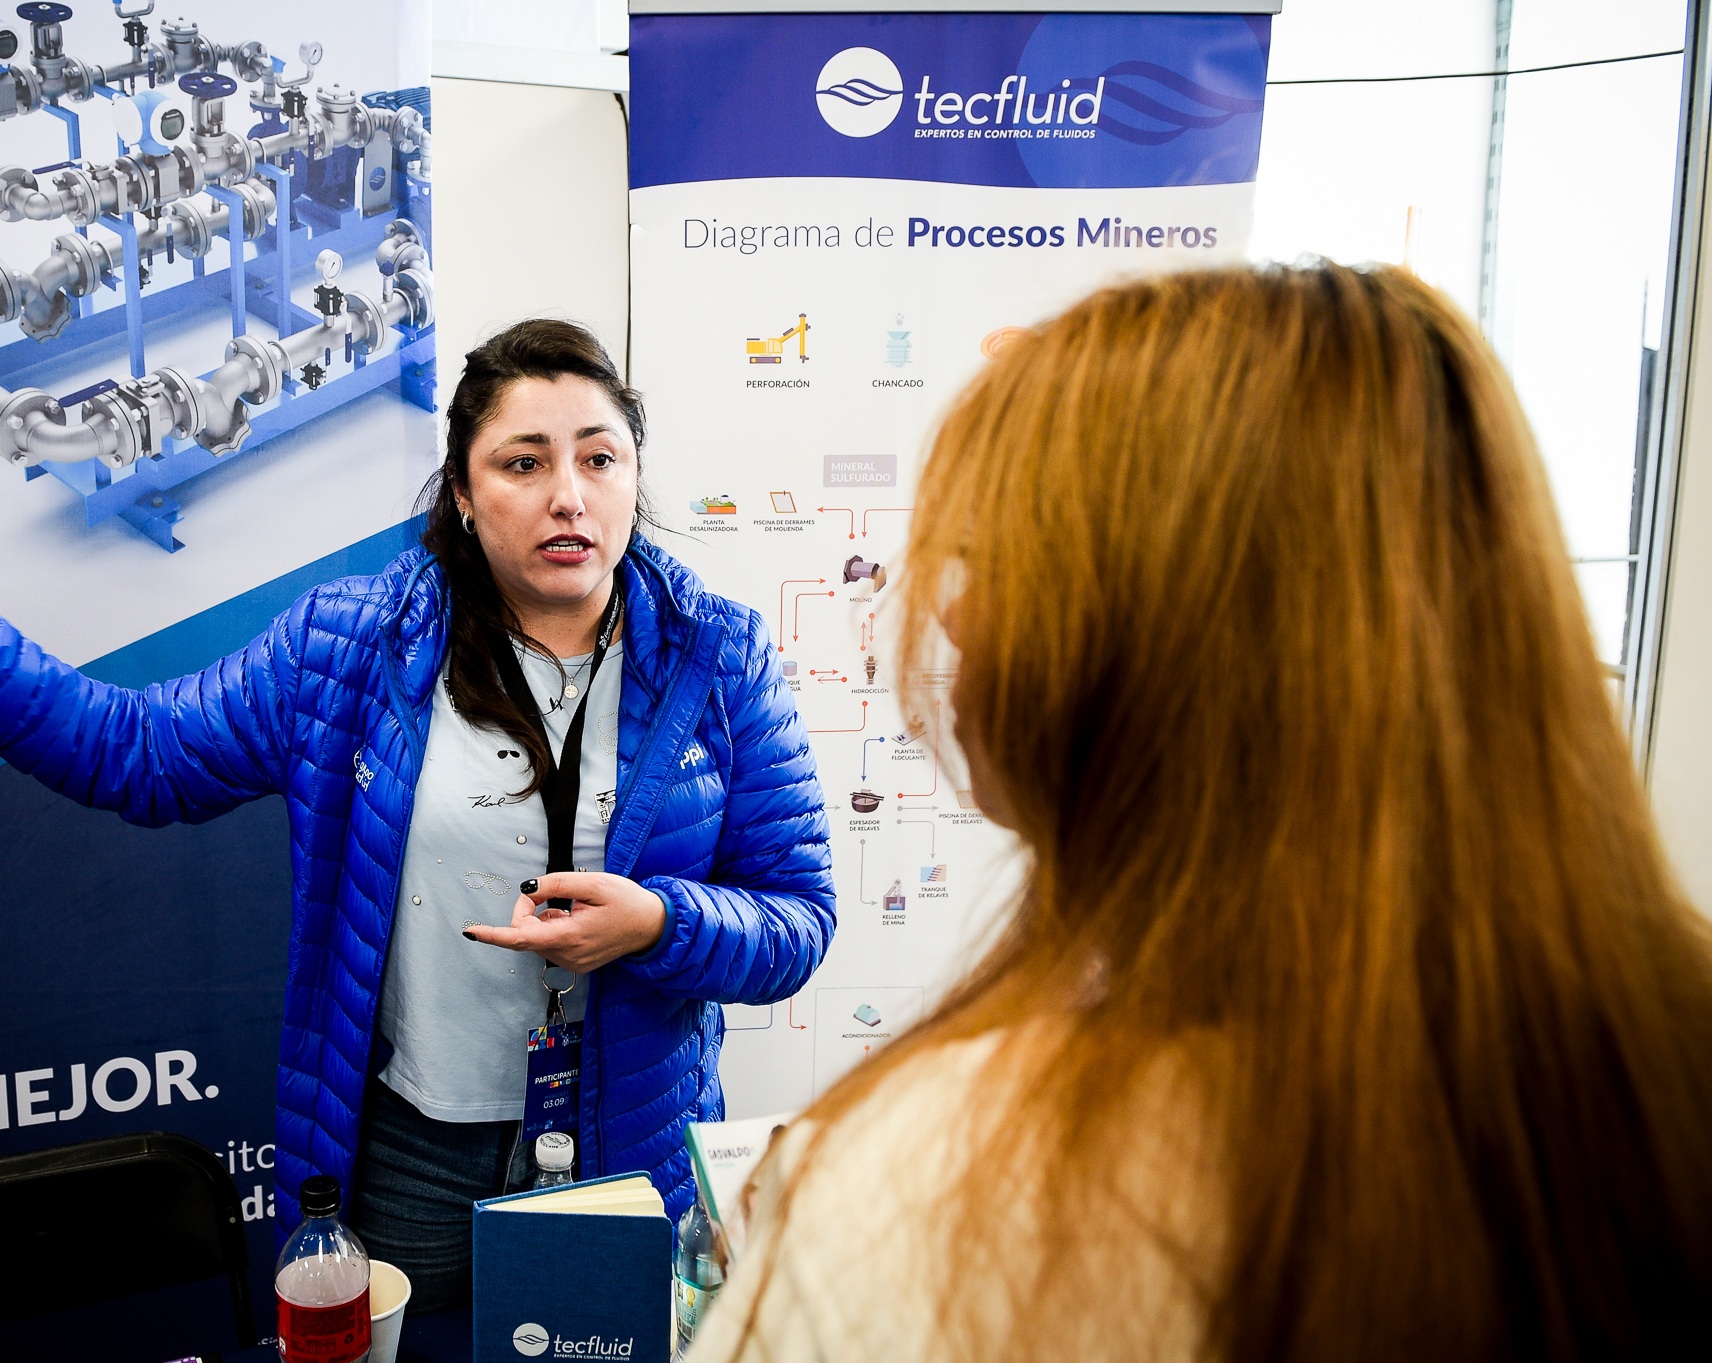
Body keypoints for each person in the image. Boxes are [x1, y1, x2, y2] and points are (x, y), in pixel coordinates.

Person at [687, 263, 1712, 1362]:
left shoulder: (922, 1191)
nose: (953, 616)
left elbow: (794, 909)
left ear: (1124, 637)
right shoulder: (1658, 1071)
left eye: (985, 559)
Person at [0, 319, 835, 1312]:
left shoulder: (719, 657)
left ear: (630, 477)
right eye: (523, 462)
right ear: (463, 492)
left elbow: (796, 921)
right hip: (410, 1155)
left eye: (598, 458)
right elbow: (139, 753)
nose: (567, 495)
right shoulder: (349, 647)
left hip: (623, 1145)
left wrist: (658, 925)